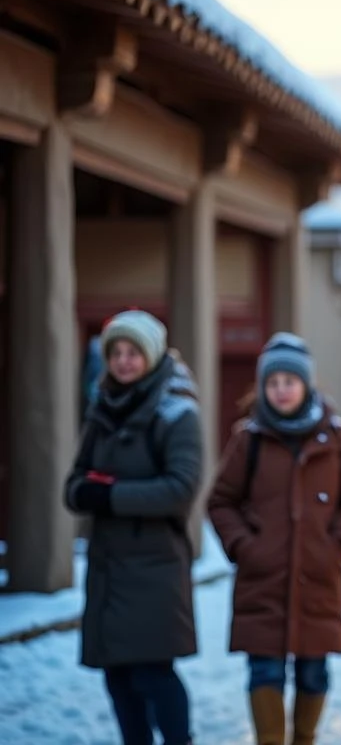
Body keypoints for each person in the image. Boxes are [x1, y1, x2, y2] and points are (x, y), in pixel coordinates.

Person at [207, 332, 341, 745]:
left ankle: (304, 738)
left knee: (313, 671)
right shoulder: (248, 438)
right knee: (263, 670)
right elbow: (220, 501)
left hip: (318, 575)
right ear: (263, 387)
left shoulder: (337, 437)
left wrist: (338, 543)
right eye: (273, 382)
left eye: (290, 381)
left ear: (306, 385)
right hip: (261, 578)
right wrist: (245, 548)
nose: (282, 390)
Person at [63, 310, 203, 745]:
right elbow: (75, 483)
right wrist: (84, 492)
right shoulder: (101, 409)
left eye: (133, 353)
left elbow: (181, 488)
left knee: (153, 672)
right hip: (108, 565)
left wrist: (110, 495)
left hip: (154, 567)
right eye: (116, 353)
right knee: (118, 676)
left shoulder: (177, 412)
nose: (123, 361)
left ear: (152, 355)